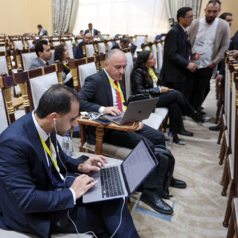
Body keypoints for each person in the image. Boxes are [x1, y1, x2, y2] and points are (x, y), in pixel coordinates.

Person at [0, 84, 139, 238]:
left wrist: (81, 166)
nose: (76, 124)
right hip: (34, 212)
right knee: (103, 221)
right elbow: (26, 200)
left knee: (112, 195)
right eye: (73, 119)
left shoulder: (46, 124)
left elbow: (59, 158)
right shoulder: (12, 144)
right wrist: (71, 193)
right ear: (54, 117)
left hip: (54, 187)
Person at [79, 49, 186, 215]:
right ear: (106, 65)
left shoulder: (117, 78)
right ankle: (149, 193)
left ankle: (163, 176)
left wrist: (134, 117)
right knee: (147, 145)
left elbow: (122, 103)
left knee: (158, 136)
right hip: (107, 129)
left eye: (124, 67)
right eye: (118, 67)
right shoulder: (95, 80)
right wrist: (103, 109)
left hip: (123, 121)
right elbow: (79, 101)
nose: (122, 71)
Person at [131, 51, 206, 144]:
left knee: (174, 104)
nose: (154, 59)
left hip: (155, 97)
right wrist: (159, 90)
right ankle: (193, 113)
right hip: (146, 101)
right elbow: (139, 91)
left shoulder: (151, 70)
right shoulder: (138, 72)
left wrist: (164, 88)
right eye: (151, 58)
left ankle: (174, 135)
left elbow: (157, 83)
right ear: (144, 61)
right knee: (175, 94)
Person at [185, 0, 230, 113]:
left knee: (202, 88)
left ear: (219, 11)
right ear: (205, 10)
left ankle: (196, 109)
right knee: (189, 87)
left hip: (208, 63)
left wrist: (215, 61)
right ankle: (189, 109)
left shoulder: (223, 25)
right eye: (209, 11)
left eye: (214, 12)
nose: (211, 14)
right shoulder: (195, 23)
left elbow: (224, 46)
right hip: (192, 62)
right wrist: (188, 57)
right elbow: (187, 41)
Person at [160, 7, 198, 92]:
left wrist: (190, 54)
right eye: (190, 17)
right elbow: (171, 53)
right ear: (181, 18)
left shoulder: (182, 30)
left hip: (180, 72)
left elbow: (180, 49)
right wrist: (187, 63)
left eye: (193, 16)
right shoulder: (174, 32)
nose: (192, 19)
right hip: (174, 75)